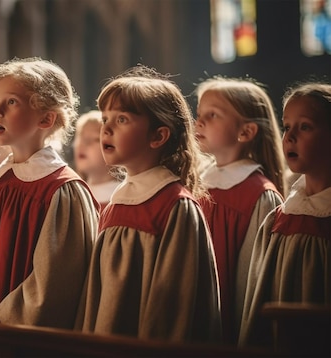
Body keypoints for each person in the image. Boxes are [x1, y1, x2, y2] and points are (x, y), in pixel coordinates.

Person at [0, 57, 99, 329]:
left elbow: (54, 285)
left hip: (23, 338)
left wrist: (1, 325)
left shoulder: (63, 190)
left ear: (46, 118)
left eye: (11, 102)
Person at [76, 65, 221, 344]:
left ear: (158, 136)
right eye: (105, 118)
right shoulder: (119, 199)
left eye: (122, 120)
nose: (105, 128)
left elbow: (172, 306)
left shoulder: (174, 205)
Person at [239, 82, 331, 348]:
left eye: (304, 127)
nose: (289, 137)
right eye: (287, 126)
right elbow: (257, 300)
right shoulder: (278, 219)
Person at [194, 77, 285, 344]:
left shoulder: (259, 195)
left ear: (245, 132)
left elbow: (251, 284)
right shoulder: (195, 183)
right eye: (199, 114)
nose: (199, 122)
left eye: (212, 115)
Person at [72, 110, 120, 208]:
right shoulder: (72, 197)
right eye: (80, 137)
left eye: (95, 139)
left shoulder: (124, 199)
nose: (83, 144)